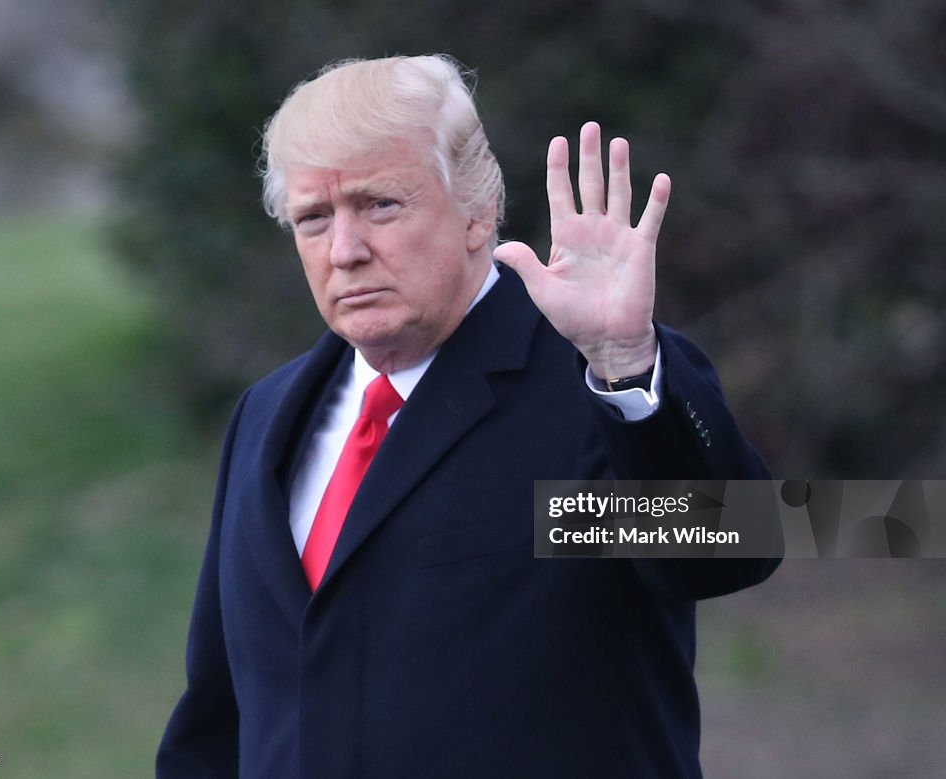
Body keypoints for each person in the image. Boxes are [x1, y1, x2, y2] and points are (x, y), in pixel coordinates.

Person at [157, 54, 779, 779]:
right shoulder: (265, 416)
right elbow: (219, 712)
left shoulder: (590, 385)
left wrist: (623, 359)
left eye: (379, 204)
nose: (345, 251)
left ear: (477, 212)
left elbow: (731, 548)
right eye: (314, 218)